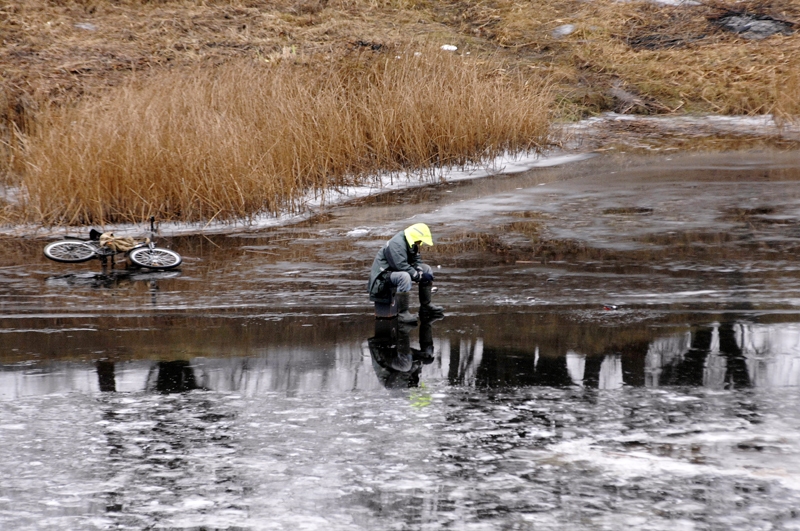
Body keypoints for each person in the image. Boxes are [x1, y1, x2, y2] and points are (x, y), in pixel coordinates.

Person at [367, 222, 444, 324]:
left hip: (395, 272)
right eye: (420, 240)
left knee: (427, 269)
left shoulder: (411, 242)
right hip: (382, 277)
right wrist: (418, 276)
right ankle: (403, 313)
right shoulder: (397, 244)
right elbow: (401, 266)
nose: (420, 243)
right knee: (405, 277)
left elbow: (416, 260)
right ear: (415, 237)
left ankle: (426, 306)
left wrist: (420, 270)